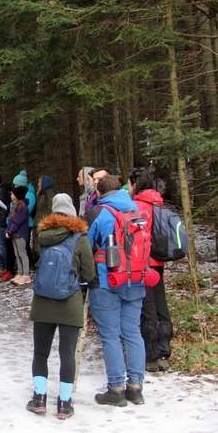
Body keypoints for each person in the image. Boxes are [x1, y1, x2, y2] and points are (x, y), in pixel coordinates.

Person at [26, 193, 96, 420]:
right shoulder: (80, 238)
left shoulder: (43, 236)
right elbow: (88, 273)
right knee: (67, 353)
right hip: (70, 301)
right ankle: (64, 403)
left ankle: (39, 398)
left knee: (40, 352)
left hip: (43, 300)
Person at [87, 175, 147, 406]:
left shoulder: (99, 213)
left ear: (99, 192)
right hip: (136, 278)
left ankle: (116, 389)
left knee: (110, 335)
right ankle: (136, 387)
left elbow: (86, 245)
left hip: (106, 279)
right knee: (132, 333)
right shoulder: (137, 212)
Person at [128, 167, 173, 372]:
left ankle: (152, 354)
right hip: (158, 260)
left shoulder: (135, 205)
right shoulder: (158, 203)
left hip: (142, 262)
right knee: (160, 304)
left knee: (147, 307)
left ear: (135, 184)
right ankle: (164, 351)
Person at [6, 186, 31, 285]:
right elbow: (11, 221)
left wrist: (10, 232)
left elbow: (17, 222)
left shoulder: (22, 207)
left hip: (20, 234)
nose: (11, 196)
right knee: (17, 254)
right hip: (15, 234)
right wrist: (8, 231)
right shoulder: (16, 206)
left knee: (22, 254)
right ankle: (20, 273)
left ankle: (26, 274)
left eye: (12, 194)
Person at [34, 175, 58, 258]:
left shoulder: (50, 193)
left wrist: (45, 221)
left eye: (40, 182)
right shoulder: (42, 194)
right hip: (40, 223)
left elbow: (51, 209)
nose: (38, 184)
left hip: (45, 224)